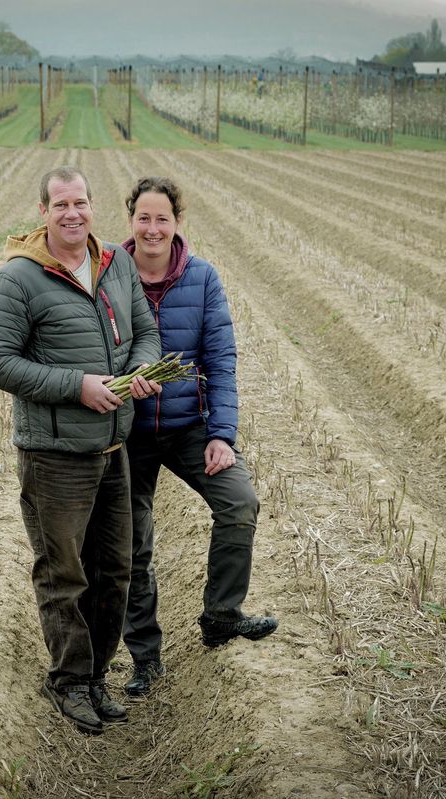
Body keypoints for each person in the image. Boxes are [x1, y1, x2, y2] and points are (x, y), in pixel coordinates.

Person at [0, 166, 162, 735]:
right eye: (61, 205)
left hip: (113, 447)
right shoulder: (19, 279)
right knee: (65, 574)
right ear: (43, 211)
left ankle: (97, 677)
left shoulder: (116, 264)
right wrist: (76, 385)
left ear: (92, 206)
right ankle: (69, 681)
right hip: (55, 454)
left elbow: (146, 331)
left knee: (115, 572)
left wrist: (139, 371)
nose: (72, 214)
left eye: (80, 203)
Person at [119, 176, 277, 697]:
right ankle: (144, 657)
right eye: (144, 217)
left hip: (189, 428)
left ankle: (222, 615)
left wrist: (222, 435)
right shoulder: (110, 275)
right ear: (130, 221)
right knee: (132, 542)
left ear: (177, 223)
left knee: (239, 502)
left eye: (162, 218)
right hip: (127, 432)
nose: (153, 227)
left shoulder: (203, 279)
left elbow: (221, 360)